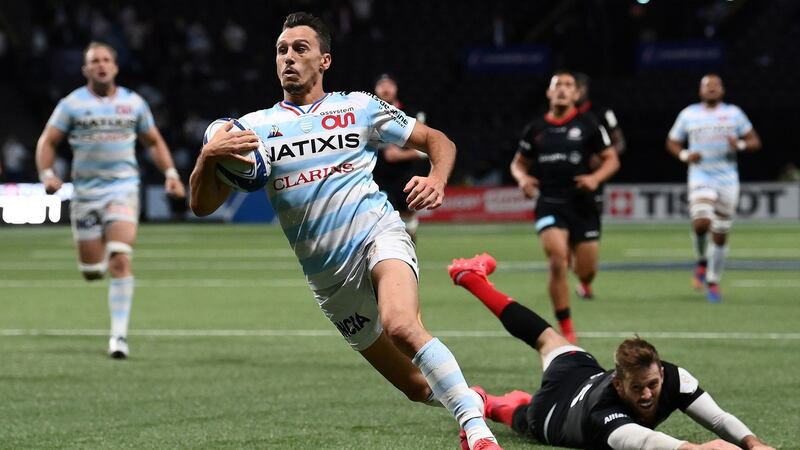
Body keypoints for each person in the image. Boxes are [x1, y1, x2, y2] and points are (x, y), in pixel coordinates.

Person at [189, 12, 501, 450]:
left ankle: (479, 435)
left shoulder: (358, 107)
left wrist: (437, 178)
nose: (288, 58)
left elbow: (439, 141)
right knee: (416, 387)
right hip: (329, 279)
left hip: (378, 234)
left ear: (325, 60)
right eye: (281, 50)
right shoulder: (252, 130)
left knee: (401, 324)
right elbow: (201, 206)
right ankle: (478, 402)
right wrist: (208, 156)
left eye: (300, 49)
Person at [447, 253, 776, 450]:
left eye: (653, 384)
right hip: (554, 411)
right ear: (618, 384)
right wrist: (694, 448)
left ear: (661, 373)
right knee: (524, 415)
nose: (647, 394)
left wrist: (752, 443)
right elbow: (643, 442)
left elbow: (718, 418)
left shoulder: (674, 377)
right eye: (637, 388)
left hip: (582, 373)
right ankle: (492, 403)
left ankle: (473, 279)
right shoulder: (603, 415)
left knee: (548, 338)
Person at [35, 41, 186, 359]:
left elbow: (153, 141)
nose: (101, 65)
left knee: (120, 260)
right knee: (92, 271)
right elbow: (48, 141)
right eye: (95, 61)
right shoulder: (71, 104)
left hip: (123, 188)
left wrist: (171, 173)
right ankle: (98, 253)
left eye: (106, 60)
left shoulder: (133, 103)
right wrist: (47, 173)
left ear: (115, 67)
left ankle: (118, 338)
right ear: (85, 69)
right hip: (86, 194)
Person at [510, 70, 619, 343]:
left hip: (582, 205)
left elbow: (611, 159)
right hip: (549, 203)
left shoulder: (589, 125)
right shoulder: (535, 129)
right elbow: (518, 163)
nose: (562, 89)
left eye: (568, 85)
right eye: (557, 85)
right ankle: (566, 327)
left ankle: (584, 281)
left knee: (586, 271)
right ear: (549, 92)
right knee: (558, 261)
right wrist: (523, 179)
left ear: (576, 93)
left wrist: (595, 178)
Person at [666, 74, 761, 303]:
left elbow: (755, 141)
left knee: (720, 234)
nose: (711, 89)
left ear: (722, 90)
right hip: (701, 175)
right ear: (700, 91)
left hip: (727, 179)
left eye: (716, 85)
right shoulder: (689, 114)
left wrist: (739, 144)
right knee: (701, 223)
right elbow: (672, 141)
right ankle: (701, 260)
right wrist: (685, 155)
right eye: (707, 85)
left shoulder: (734, 113)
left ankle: (713, 280)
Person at [573, 72, 626, 299]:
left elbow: (620, 142)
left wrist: (604, 159)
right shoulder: (556, 115)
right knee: (565, 229)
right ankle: (576, 274)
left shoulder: (602, 114)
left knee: (589, 228)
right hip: (565, 178)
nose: (575, 92)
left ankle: (585, 278)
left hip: (594, 179)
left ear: (585, 89)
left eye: (578, 87)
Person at [371, 73, 428, 242]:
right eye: (381, 85)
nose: (385, 89)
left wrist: (401, 155)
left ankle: (410, 252)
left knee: (408, 221)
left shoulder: (411, 114)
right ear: (375, 89)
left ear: (396, 88)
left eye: (389, 85)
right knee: (378, 222)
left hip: (404, 177)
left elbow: (426, 149)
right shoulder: (368, 114)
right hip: (375, 177)